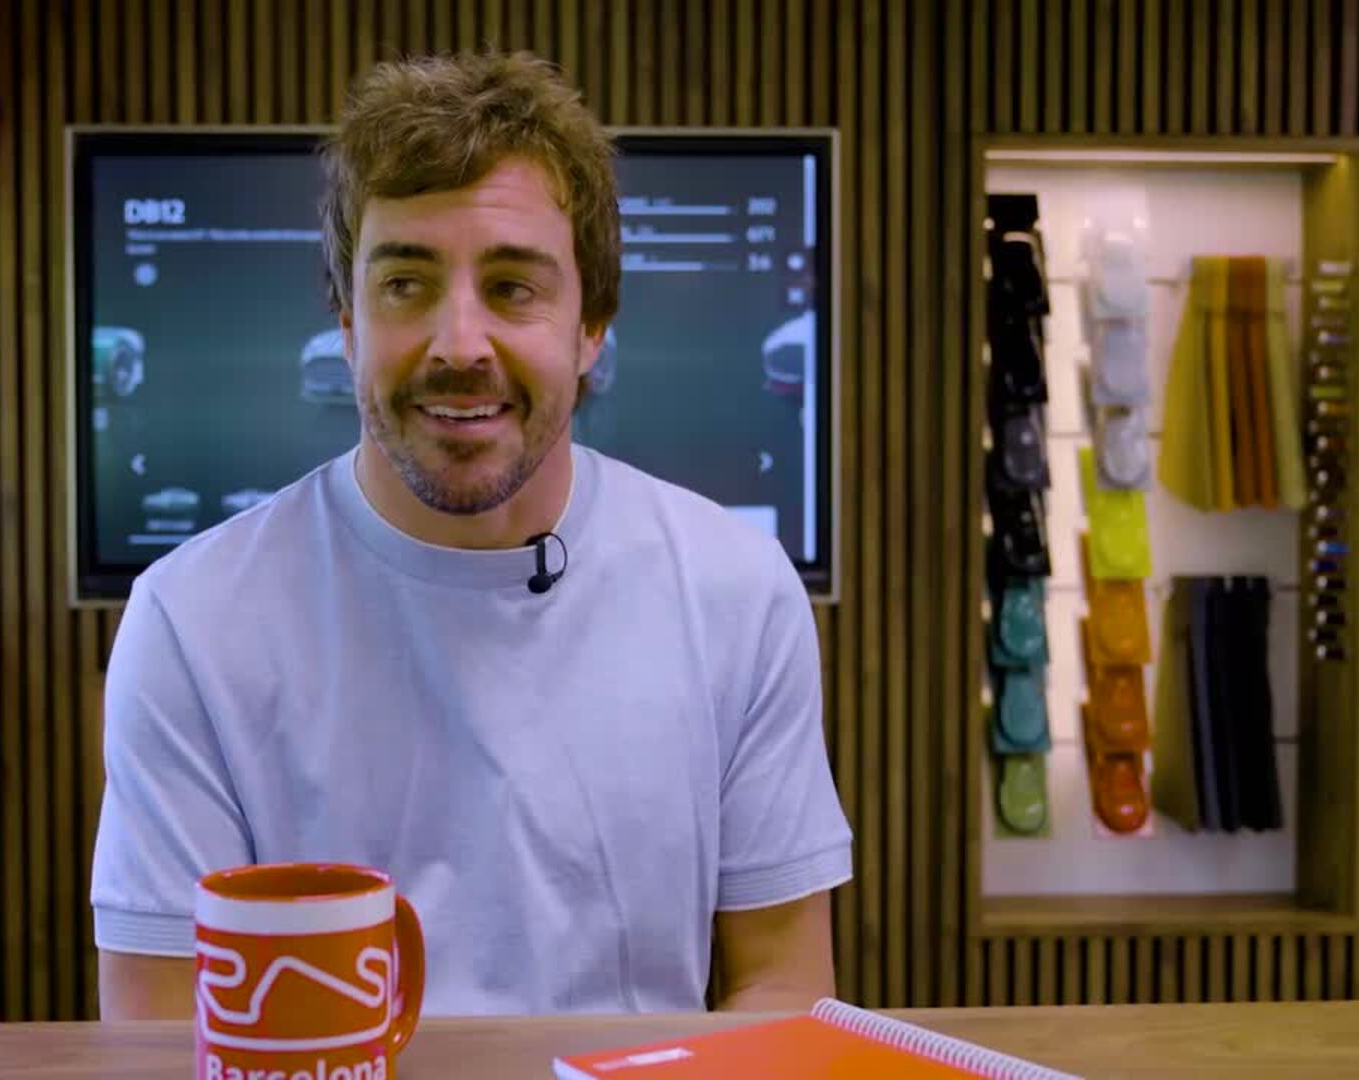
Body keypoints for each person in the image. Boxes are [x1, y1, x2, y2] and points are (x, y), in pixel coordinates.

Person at [92, 51, 853, 1019]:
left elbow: (781, 984)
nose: (458, 344)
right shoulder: (191, 623)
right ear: (347, 322)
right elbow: (161, 1031)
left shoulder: (736, 594)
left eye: (513, 287)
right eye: (405, 284)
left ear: (592, 327)